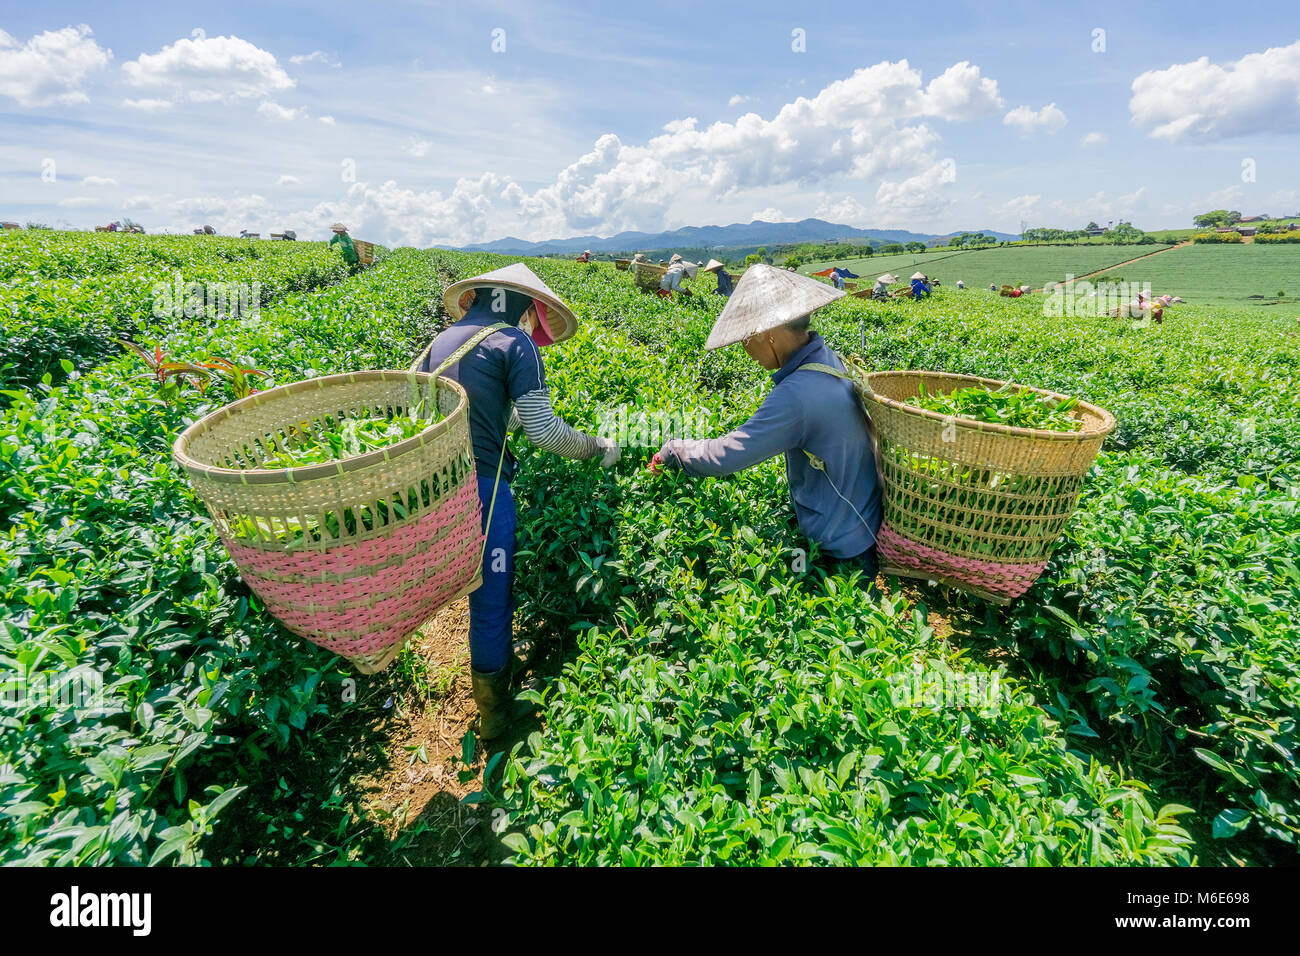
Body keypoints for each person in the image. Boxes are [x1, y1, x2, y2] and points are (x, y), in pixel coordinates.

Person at [413, 264, 621, 739]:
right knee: (491, 597)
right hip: (483, 491)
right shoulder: (514, 343)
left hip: (436, 489)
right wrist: (596, 447)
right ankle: (495, 713)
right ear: (525, 306)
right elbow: (544, 431)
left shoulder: (438, 343)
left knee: (466, 584)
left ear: (477, 297)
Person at [649, 265, 882, 586]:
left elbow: (726, 455)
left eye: (746, 339)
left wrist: (673, 450)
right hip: (863, 521)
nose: (745, 350)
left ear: (769, 334)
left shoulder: (797, 395)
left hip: (842, 546)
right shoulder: (828, 358)